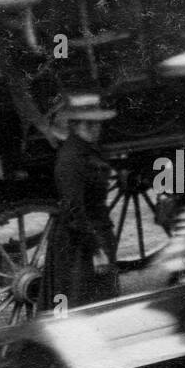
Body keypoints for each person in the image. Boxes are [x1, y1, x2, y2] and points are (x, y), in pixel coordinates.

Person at [47, 93, 119, 309]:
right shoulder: (71, 159)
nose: (98, 129)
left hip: (96, 234)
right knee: (86, 306)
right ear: (77, 125)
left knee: (103, 302)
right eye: (91, 124)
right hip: (81, 245)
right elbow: (74, 211)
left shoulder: (86, 151)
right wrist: (97, 251)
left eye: (98, 123)